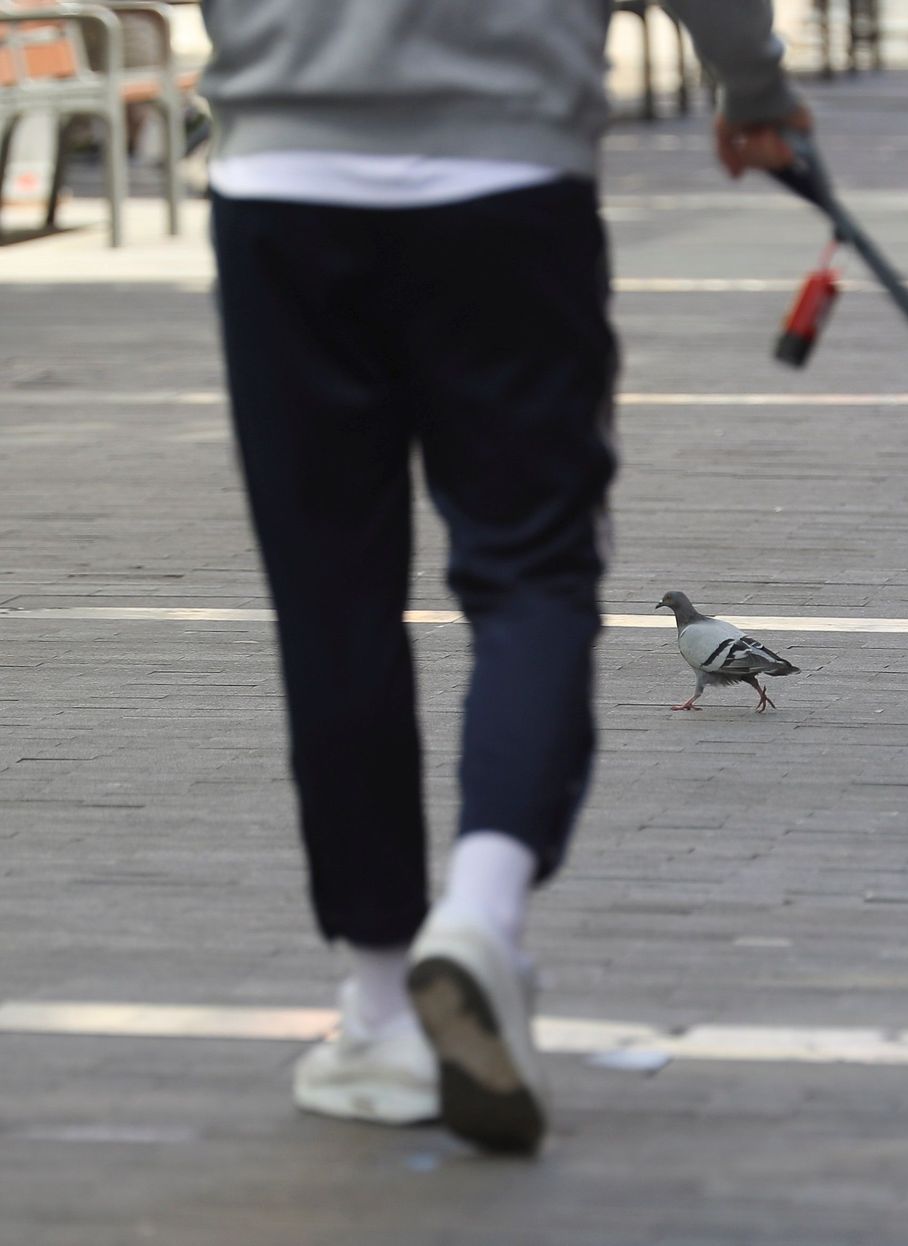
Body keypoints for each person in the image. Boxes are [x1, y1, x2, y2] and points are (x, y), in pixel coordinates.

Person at [197, 1, 809, 1156]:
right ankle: (480, 917)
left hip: (285, 169)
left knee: (331, 598)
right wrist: (753, 87)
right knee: (532, 573)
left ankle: (381, 1008)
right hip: (507, 173)